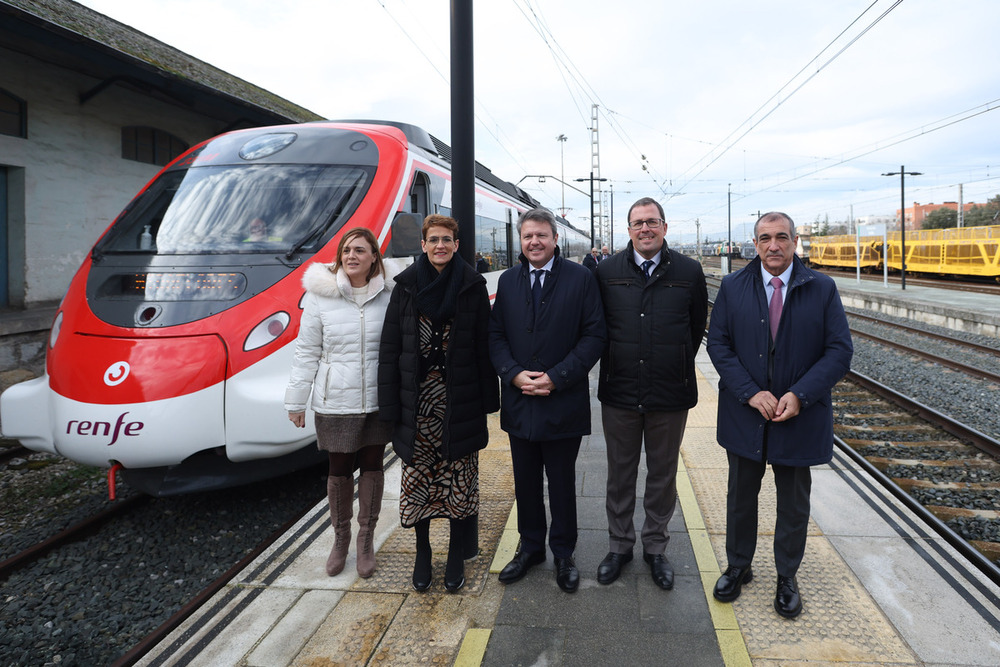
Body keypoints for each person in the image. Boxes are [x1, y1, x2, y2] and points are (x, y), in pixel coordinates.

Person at [707, 211, 852, 618]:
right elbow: (718, 344)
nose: (774, 245)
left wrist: (800, 395)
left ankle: (787, 576)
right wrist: (750, 393)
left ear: (795, 242)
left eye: (782, 237)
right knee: (740, 498)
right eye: (766, 238)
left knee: (793, 503)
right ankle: (738, 566)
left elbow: (839, 351)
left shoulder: (821, 288)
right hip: (745, 412)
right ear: (755, 244)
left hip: (798, 415)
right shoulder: (734, 286)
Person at [378, 214, 499, 593]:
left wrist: (488, 403)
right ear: (424, 244)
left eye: (447, 239)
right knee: (419, 483)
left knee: (458, 483)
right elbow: (389, 348)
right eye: (434, 240)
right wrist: (388, 408)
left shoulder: (472, 286)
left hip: (458, 402)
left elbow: (484, 344)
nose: (440, 246)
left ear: (457, 244)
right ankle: (423, 552)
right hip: (416, 405)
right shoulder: (407, 287)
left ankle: (452, 556)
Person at [489, 207, 606, 593]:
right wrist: (513, 373)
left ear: (555, 239)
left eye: (541, 235)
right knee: (524, 481)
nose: (534, 242)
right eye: (527, 237)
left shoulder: (581, 278)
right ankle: (531, 547)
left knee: (561, 482)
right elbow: (496, 336)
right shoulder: (508, 281)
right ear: (520, 242)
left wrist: (557, 378)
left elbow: (594, 337)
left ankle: (563, 553)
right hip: (520, 398)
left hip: (562, 400)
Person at [594, 197, 707, 590]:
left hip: (670, 393)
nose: (646, 229)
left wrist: (672, 362)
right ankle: (619, 546)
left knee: (663, 475)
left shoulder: (690, 272)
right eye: (638, 223)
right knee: (619, 474)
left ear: (664, 227)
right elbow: (598, 328)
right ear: (628, 230)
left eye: (652, 222)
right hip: (620, 390)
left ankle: (655, 549)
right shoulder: (606, 271)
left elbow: (695, 329)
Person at [284, 227, 395, 579]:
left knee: (373, 468)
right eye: (347, 250)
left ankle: (366, 540)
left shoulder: (390, 294)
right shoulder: (321, 297)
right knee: (339, 470)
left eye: (360, 250)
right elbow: (307, 351)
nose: (351, 256)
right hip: (336, 401)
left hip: (378, 399)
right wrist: (296, 401)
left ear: (374, 257)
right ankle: (340, 538)